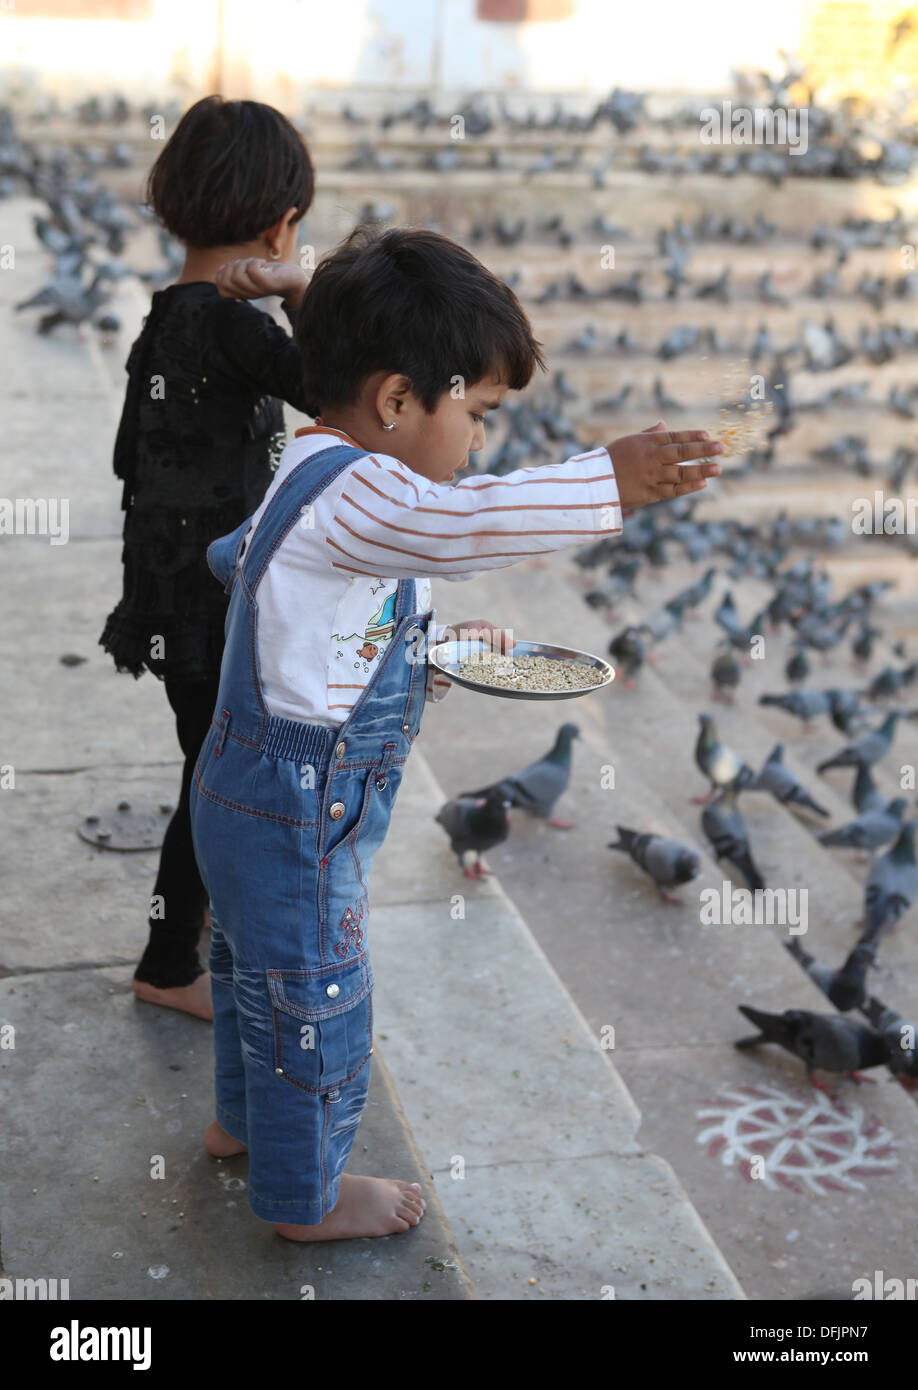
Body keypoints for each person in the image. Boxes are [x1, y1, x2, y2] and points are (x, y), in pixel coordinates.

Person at [190, 224, 724, 1240]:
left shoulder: (318, 475)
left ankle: (239, 1124)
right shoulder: (368, 492)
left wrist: (436, 649)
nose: (478, 443)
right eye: (475, 415)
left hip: (245, 796)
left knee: (253, 970)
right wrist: (609, 480)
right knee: (320, 1000)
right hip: (295, 819)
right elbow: (461, 519)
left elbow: (289, 590)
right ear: (396, 401)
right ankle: (305, 1200)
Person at [98, 96, 315, 1021]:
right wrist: (301, 294)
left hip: (164, 595)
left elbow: (127, 456)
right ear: (281, 226)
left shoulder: (164, 317)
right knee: (215, 778)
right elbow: (334, 391)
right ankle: (168, 963)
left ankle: (183, 943)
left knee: (206, 766)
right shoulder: (236, 327)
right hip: (210, 605)